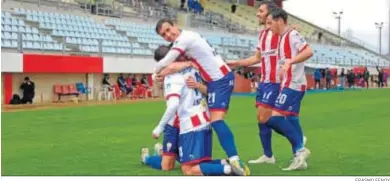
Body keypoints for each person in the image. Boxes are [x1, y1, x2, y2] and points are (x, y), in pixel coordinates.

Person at [152, 18, 250, 175]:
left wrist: (156, 72)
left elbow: (169, 60)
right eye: (164, 35)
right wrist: (161, 73)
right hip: (214, 82)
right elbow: (173, 64)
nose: (168, 35)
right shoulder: (186, 43)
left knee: (217, 121)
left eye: (169, 30)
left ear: (175, 25)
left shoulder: (184, 39)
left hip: (219, 80)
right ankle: (229, 161)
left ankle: (233, 159)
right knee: (215, 122)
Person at [228, 1, 280, 165]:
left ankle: (296, 136)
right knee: (260, 118)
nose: (257, 14)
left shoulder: (279, 33)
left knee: (265, 117)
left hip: (275, 81)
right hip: (264, 82)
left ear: (269, 14)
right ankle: (268, 155)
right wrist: (237, 63)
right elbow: (256, 58)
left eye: (261, 11)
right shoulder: (263, 34)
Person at [267, 8, 312, 171]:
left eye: (270, 22)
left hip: (294, 84)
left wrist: (290, 62)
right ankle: (300, 158)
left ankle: (300, 147)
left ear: (279, 20)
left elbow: (308, 51)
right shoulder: (281, 38)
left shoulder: (292, 35)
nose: (268, 26)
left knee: (274, 118)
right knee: (292, 119)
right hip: (288, 83)